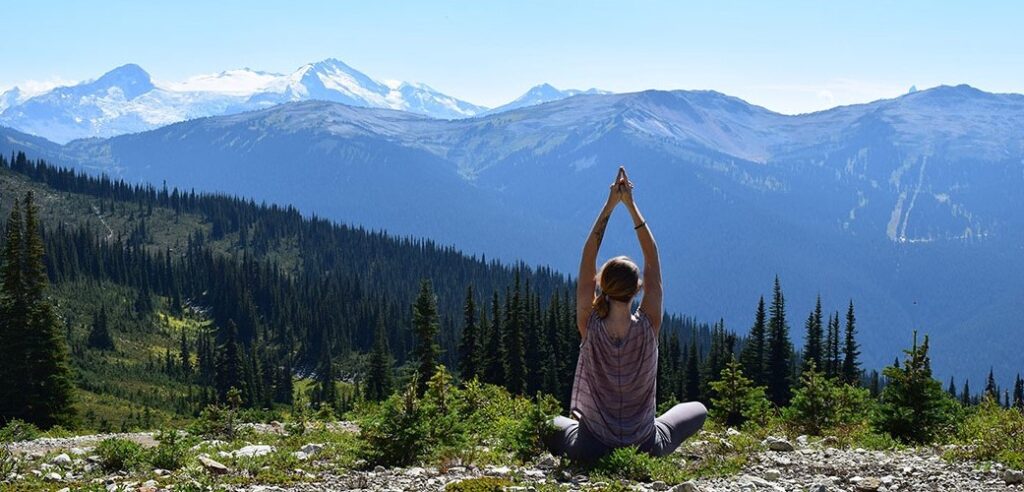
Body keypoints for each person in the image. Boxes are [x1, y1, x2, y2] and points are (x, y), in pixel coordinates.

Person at [543, 166, 707, 462]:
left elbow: (587, 257)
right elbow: (652, 258)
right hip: (644, 445)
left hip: (590, 447)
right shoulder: (649, 326)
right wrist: (630, 205)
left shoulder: (589, 325)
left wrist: (609, 205)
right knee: (698, 409)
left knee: (546, 423)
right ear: (638, 290)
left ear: (600, 286)